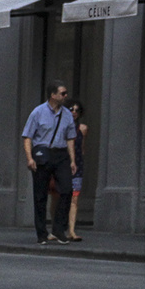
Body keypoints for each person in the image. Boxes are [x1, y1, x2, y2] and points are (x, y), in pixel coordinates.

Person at [21, 80, 79, 246]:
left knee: (67, 189)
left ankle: (59, 229)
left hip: (61, 154)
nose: (66, 96)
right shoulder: (38, 112)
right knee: (40, 195)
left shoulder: (67, 114)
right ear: (53, 95)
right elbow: (27, 137)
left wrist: (72, 160)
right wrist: (29, 158)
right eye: (63, 93)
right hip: (43, 153)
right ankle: (42, 233)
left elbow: (70, 139)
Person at [65, 100, 88, 241]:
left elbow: (82, 148)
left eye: (76, 110)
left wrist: (79, 162)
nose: (74, 112)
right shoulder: (63, 127)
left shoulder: (83, 129)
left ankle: (71, 231)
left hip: (77, 166)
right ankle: (58, 228)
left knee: (74, 198)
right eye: (71, 109)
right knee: (59, 198)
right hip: (62, 165)